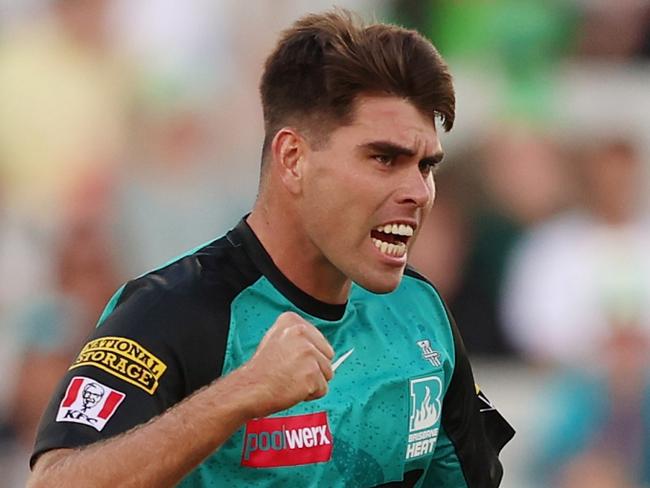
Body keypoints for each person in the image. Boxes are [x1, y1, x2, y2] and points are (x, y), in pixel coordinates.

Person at [28, 9, 514, 487]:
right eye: (385, 158)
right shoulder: (172, 312)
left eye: (426, 166)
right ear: (293, 158)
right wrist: (238, 394)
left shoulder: (418, 314)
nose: (419, 192)